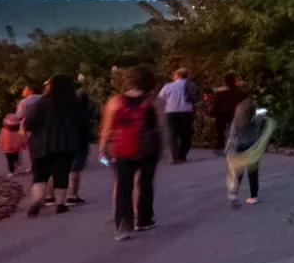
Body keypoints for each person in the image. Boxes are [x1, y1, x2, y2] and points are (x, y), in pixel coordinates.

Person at [101, 65, 163, 239]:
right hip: (148, 148)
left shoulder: (115, 101)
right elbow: (162, 126)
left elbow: (107, 128)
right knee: (145, 184)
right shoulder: (153, 101)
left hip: (122, 150)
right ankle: (144, 220)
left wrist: (103, 148)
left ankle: (123, 225)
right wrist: (166, 149)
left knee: (123, 186)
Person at [24, 75, 91, 216]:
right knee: (61, 173)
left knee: (40, 174)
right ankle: (60, 204)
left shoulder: (42, 103)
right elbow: (84, 124)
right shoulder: (75, 104)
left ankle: (37, 200)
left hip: (41, 145)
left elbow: (29, 123)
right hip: (66, 144)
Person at [224, 97, 276, 207]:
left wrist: (228, 148)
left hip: (240, 147)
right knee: (253, 172)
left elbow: (232, 135)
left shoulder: (237, 121)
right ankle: (254, 196)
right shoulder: (256, 119)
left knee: (238, 172)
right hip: (253, 147)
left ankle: (234, 194)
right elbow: (264, 114)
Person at [159, 68, 200, 163]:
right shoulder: (192, 86)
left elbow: (161, 99)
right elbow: (198, 97)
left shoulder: (168, 86)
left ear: (176, 75)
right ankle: (183, 155)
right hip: (186, 112)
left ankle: (175, 156)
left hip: (170, 112)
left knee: (172, 135)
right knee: (185, 135)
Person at [207, 75, 245, 148]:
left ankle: (219, 143)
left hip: (222, 112)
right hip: (233, 111)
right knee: (234, 128)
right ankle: (234, 144)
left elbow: (217, 102)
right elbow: (242, 100)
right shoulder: (237, 91)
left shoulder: (222, 91)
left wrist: (213, 112)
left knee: (220, 130)